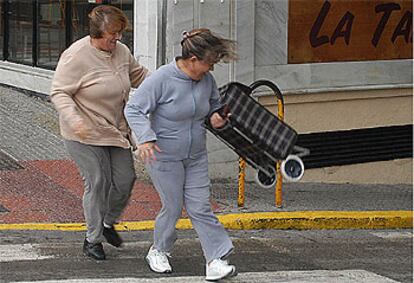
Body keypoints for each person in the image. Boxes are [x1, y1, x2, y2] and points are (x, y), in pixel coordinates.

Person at [124, 28, 238, 281]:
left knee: (200, 207)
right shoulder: (163, 78)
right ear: (193, 60)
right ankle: (158, 250)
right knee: (173, 207)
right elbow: (134, 109)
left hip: (196, 155)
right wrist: (145, 139)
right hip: (163, 155)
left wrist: (217, 118)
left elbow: (212, 110)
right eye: (209, 63)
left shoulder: (206, 81)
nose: (211, 69)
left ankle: (216, 259)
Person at [50, 5, 149, 261]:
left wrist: (168, 83)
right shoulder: (76, 56)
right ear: (96, 33)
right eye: (112, 34)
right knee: (97, 182)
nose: (117, 39)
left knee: (126, 180)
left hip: (115, 130)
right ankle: (92, 239)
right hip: (83, 132)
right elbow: (59, 92)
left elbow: (140, 76)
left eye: (119, 33)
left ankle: (107, 223)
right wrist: (74, 119)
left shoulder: (121, 52)